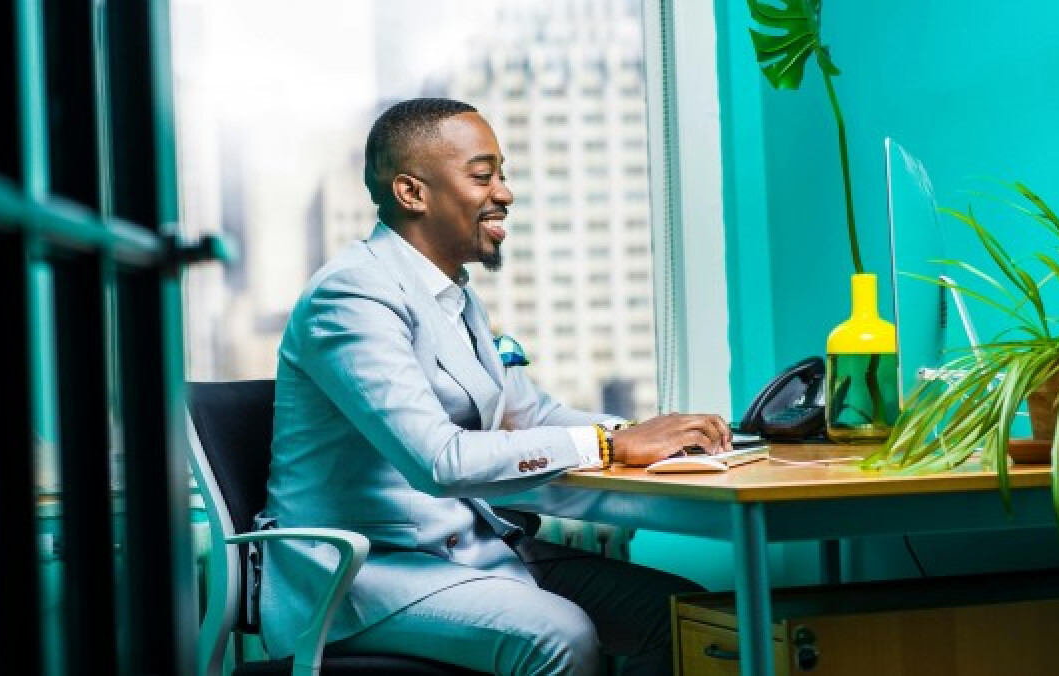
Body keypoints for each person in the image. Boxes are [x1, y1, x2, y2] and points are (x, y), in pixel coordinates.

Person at [258, 97, 735, 675]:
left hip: (471, 556)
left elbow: (528, 414)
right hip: (366, 579)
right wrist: (609, 448)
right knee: (559, 633)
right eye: (483, 176)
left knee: (679, 613)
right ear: (413, 193)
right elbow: (439, 461)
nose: (504, 192)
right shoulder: (351, 296)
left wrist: (640, 433)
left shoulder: (453, 296)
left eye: (502, 175)